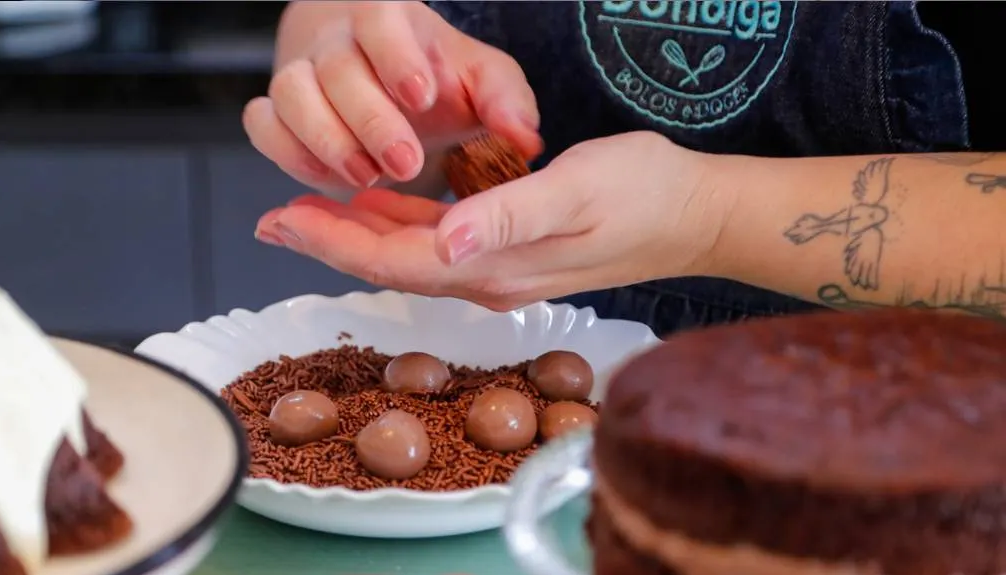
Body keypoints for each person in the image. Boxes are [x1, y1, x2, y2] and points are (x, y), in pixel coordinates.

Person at [243, 1, 1006, 337]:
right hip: (535, 430)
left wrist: (706, 216)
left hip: (918, 457)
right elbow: (350, 23)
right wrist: (359, 89)